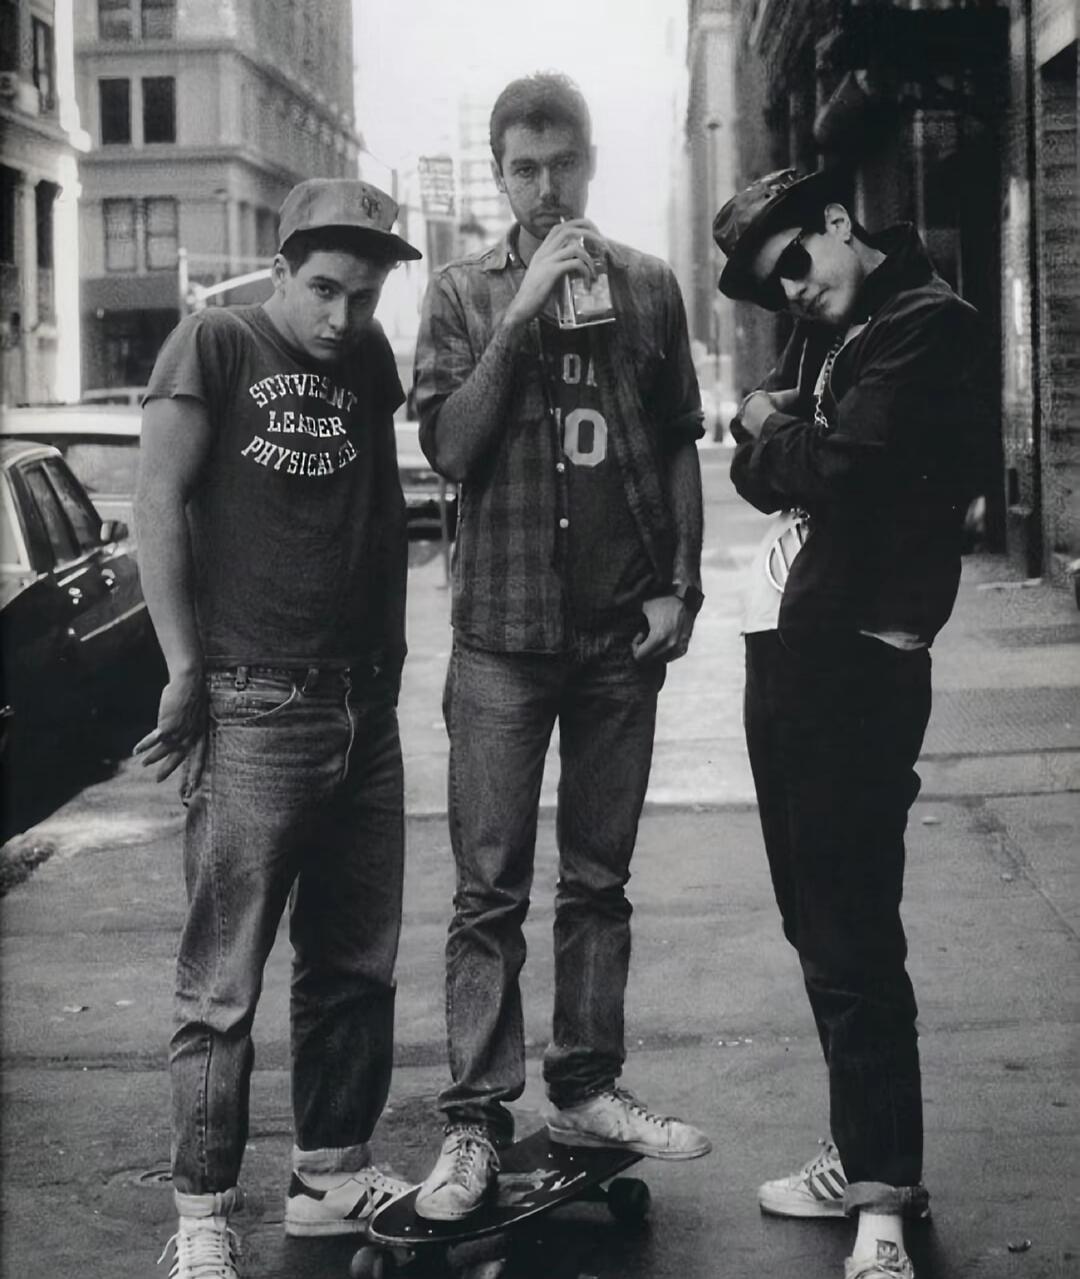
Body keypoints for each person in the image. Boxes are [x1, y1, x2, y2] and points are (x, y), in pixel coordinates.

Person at [410, 72, 712, 1222]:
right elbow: (450, 447)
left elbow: (681, 443)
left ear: (590, 163)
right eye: (524, 167)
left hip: (614, 634)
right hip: (500, 635)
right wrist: (523, 308)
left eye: (564, 163)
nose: (546, 186)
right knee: (488, 889)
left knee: (599, 881)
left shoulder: (646, 285)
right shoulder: (459, 292)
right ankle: (477, 1121)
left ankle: (586, 1086)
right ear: (499, 174)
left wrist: (679, 588)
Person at [134, 178, 421, 1279]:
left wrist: (391, 672)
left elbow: (382, 513)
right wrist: (184, 666)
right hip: (254, 703)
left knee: (354, 963)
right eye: (323, 290)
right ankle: (204, 1208)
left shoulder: (370, 364)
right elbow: (155, 503)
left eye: (364, 295)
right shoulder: (215, 341)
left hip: (363, 700)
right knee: (224, 978)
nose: (343, 317)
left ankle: (330, 1173)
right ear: (281, 266)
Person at [713, 168, 987, 1279]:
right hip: (793, 650)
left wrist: (767, 427)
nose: (792, 295)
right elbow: (762, 469)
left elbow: (848, 469)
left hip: (859, 665)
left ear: (837, 222)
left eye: (794, 264)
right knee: (816, 922)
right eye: (769, 290)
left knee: (855, 931)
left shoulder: (928, 325)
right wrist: (774, 434)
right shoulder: (834, 332)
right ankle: (862, 1154)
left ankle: (880, 1205)